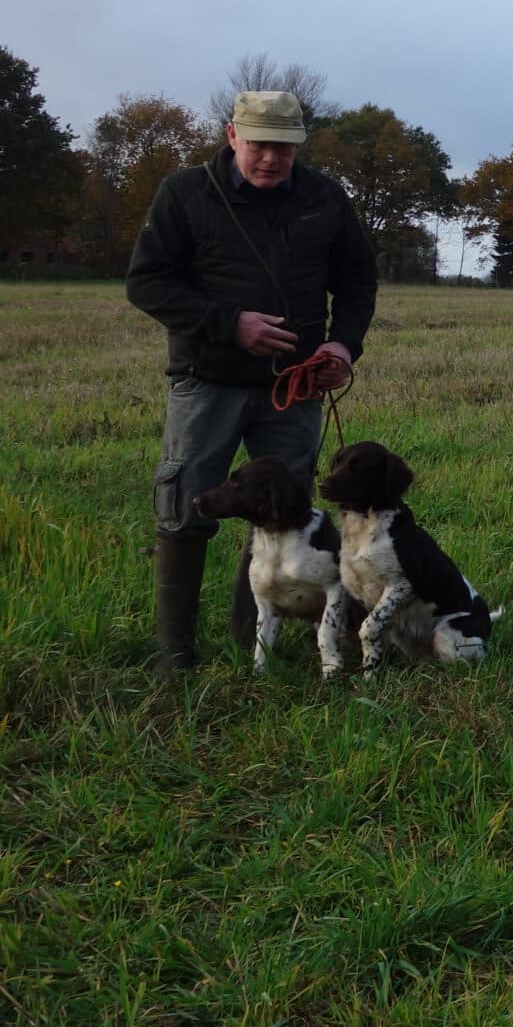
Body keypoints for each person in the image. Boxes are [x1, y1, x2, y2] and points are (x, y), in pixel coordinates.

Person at [127, 89, 378, 674]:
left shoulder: (325, 199)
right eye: (260, 145)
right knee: (186, 508)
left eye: (285, 149)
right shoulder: (184, 194)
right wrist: (228, 325)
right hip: (206, 379)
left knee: (282, 508)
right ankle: (175, 654)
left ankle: (251, 646)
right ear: (232, 134)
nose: (271, 159)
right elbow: (147, 282)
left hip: (293, 388)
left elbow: (359, 279)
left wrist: (342, 345)